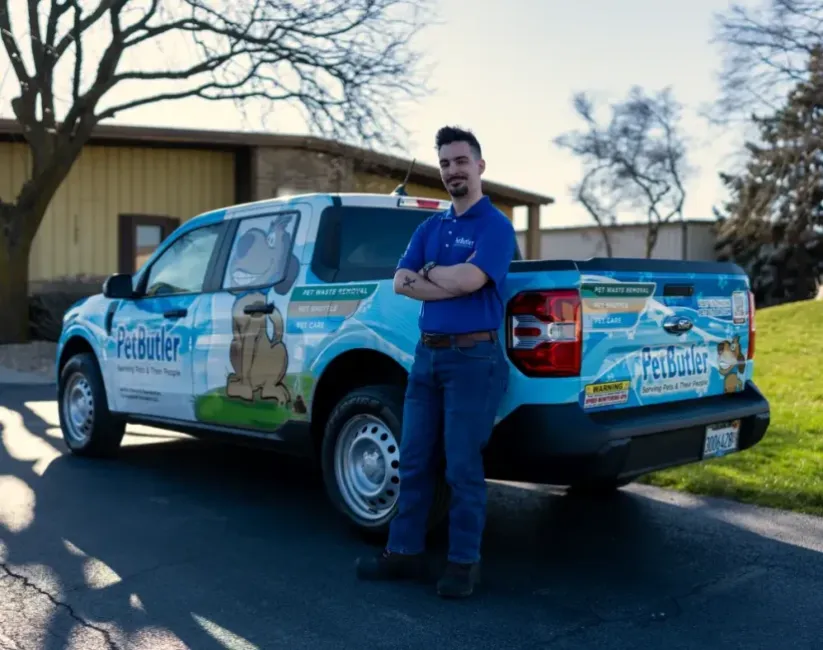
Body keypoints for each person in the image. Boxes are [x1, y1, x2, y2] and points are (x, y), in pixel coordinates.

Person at [355, 126, 515, 598]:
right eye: (445, 164)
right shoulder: (431, 227)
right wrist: (440, 279)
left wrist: (433, 276)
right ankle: (402, 552)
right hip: (426, 359)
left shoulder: (495, 226)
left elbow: (471, 279)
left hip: (474, 358)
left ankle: (464, 564)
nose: (452, 171)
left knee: (462, 465)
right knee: (416, 459)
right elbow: (400, 281)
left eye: (461, 161)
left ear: (480, 166)